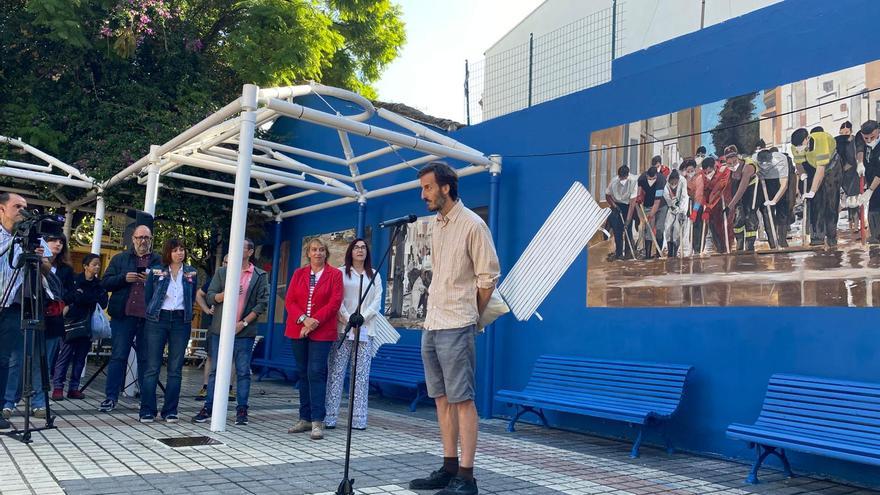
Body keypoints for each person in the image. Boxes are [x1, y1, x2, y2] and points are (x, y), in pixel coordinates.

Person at [408, 162, 500, 495]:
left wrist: (470, 316)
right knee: (441, 399)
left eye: (428, 188)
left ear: (446, 187)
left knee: (462, 400)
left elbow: (487, 279)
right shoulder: (436, 224)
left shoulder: (473, 225)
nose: (423, 195)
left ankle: (467, 476)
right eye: (422, 188)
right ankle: (448, 468)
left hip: (457, 323)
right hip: (432, 322)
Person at [193, 239, 269, 426]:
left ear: (250, 252)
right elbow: (210, 296)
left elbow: (262, 304)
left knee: (243, 372)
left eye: (240, 247)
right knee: (215, 371)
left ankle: (241, 410)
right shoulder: (222, 272)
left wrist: (242, 323)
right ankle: (209, 407)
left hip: (244, 331)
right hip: (220, 330)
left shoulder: (260, 275)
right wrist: (225, 294)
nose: (234, 249)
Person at [0, 193, 51, 428]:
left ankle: (1, 408)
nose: (23, 210)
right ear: (2, 209)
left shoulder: (33, 237)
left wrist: (40, 259)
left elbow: (48, 268)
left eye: (26, 207)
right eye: (17, 206)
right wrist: (15, 242)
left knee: (6, 359)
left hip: (15, 305)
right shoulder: (9, 238)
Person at [284, 237, 343, 440]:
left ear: (326, 253)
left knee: (316, 372)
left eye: (321, 250)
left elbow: (335, 302)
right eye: (314, 250)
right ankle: (304, 418)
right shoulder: (299, 274)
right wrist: (304, 319)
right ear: (308, 253)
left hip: (322, 330)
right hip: (297, 328)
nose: (318, 253)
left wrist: (314, 322)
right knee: (302, 373)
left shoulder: (334, 274)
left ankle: (318, 421)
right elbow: (290, 301)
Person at [98, 225, 161, 413]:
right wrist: (124, 278)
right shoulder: (120, 258)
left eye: (147, 238)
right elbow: (105, 282)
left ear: (151, 240)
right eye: (140, 237)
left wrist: (149, 280)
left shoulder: (158, 260)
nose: (143, 241)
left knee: (145, 359)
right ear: (132, 239)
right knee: (118, 356)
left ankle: (146, 399)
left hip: (148, 317)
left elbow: (166, 286)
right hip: (123, 315)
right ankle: (111, 397)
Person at [325, 238, 382, 430]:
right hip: (343, 329)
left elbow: (377, 301)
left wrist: (361, 318)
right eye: (356, 247)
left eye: (363, 247)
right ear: (350, 251)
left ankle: (358, 418)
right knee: (336, 372)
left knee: (361, 375)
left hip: (366, 331)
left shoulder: (374, 274)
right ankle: (330, 416)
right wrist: (349, 318)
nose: (360, 250)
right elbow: (336, 298)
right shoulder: (341, 273)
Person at [139, 238, 198, 423]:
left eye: (182, 249)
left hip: (181, 320)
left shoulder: (190, 272)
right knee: (152, 367)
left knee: (175, 368)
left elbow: (192, 295)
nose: (179, 253)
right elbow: (148, 295)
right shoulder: (157, 270)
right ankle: (147, 410)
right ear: (168, 252)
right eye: (175, 250)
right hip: (158, 319)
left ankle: (170, 410)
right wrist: (154, 311)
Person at [53, 254, 107, 400]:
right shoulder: (75, 280)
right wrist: (84, 298)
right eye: (94, 264)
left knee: (80, 358)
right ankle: (58, 387)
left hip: (88, 324)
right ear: (86, 266)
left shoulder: (99, 284)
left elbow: (103, 302)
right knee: (64, 356)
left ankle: (74, 388)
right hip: (71, 323)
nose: (97, 266)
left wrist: (83, 297)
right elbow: (69, 297)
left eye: (98, 264)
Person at [791, 127, 843, 247]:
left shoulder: (821, 141)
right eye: (797, 146)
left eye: (801, 145)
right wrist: (802, 173)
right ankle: (816, 237)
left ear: (807, 138)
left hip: (831, 166)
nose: (799, 148)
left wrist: (813, 190)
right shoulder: (795, 146)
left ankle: (831, 236)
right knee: (815, 203)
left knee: (831, 202)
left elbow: (821, 169)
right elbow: (798, 163)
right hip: (811, 164)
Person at [193, 256, 235, 401]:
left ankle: (228, 389)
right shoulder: (216, 278)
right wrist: (205, 309)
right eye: (225, 262)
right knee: (211, 355)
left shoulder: (240, 277)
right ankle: (206, 387)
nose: (227, 265)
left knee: (232, 357)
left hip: (235, 324)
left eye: (230, 263)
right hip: (215, 323)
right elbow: (199, 294)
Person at [626, 166, 667, 259]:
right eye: (649, 178)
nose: (651, 180)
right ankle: (648, 256)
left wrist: (650, 215)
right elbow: (639, 191)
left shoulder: (661, 180)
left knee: (659, 228)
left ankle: (658, 254)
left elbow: (657, 203)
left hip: (661, 205)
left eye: (653, 179)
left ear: (656, 176)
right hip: (648, 205)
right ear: (647, 176)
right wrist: (639, 197)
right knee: (648, 229)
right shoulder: (642, 178)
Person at [724, 145, 760, 251]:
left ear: (738, 157)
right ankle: (739, 244)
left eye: (734, 162)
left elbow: (742, 189)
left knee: (750, 216)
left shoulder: (748, 167)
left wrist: (730, 206)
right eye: (729, 163)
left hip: (751, 190)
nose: (732, 165)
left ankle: (750, 246)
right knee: (738, 217)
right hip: (738, 191)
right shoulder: (727, 169)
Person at [756, 149, 791, 248]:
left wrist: (774, 200)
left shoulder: (781, 161)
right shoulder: (754, 159)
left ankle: (782, 241)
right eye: (761, 164)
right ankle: (773, 243)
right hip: (765, 184)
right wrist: (757, 173)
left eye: (766, 164)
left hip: (779, 184)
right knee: (767, 213)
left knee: (782, 211)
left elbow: (784, 185)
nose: (764, 166)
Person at [604, 165, 638, 260]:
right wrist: (614, 206)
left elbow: (632, 204)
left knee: (628, 229)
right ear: (618, 176)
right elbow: (607, 196)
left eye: (624, 177)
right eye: (620, 177)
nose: (622, 179)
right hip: (617, 205)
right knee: (617, 230)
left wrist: (627, 220)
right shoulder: (614, 182)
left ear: (627, 175)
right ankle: (619, 253)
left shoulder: (633, 181)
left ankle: (628, 253)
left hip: (628, 206)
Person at [701, 157, 734, 254]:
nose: (707, 175)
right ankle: (720, 249)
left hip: (723, 202)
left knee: (726, 226)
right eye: (705, 172)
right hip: (711, 205)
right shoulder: (703, 175)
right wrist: (705, 205)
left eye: (709, 172)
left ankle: (728, 248)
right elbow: (703, 191)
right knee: (713, 226)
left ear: (715, 167)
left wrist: (708, 207)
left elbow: (719, 190)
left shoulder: (724, 171)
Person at [837, 121, 862, 232]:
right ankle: (852, 224)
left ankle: (856, 224)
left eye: (847, 132)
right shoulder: (840, 141)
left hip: (852, 174)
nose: (845, 134)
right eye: (842, 133)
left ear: (850, 131)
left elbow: (852, 159)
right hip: (844, 175)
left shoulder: (854, 141)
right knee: (848, 200)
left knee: (854, 200)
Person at [859, 120, 880, 243]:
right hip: (873, 185)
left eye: (872, 137)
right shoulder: (866, 146)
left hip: (876, 184)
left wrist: (870, 190)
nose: (868, 140)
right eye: (866, 138)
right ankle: (875, 238)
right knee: (873, 210)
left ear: (878, 131)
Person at [663, 170, 689, 257]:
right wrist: (673, 206)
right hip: (671, 208)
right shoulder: (666, 183)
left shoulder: (682, 181)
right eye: (672, 182)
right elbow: (667, 197)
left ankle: (675, 251)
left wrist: (682, 211)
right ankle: (670, 251)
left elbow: (684, 197)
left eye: (675, 182)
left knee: (677, 230)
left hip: (681, 208)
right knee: (668, 228)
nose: (674, 183)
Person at [683, 158, 705, 253]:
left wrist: (695, 211)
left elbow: (699, 195)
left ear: (695, 169)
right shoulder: (684, 178)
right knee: (691, 224)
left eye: (692, 170)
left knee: (698, 224)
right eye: (688, 171)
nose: (690, 173)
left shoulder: (699, 177)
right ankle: (692, 245)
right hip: (689, 201)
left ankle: (698, 248)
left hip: (700, 202)